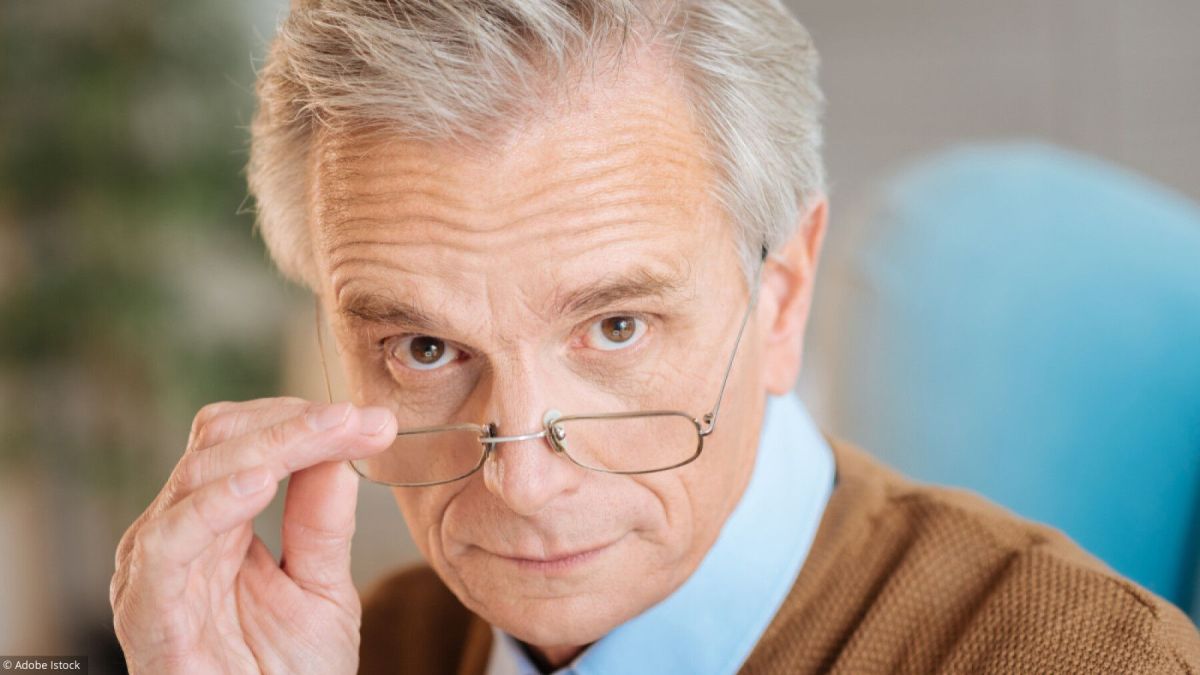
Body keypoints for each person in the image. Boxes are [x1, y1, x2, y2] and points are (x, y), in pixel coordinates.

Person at [109, 1, 1200, 673]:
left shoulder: (1085, 661)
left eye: (616, 326)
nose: (523, 482)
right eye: (424, 349)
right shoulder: (344, 652)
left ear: (782, 295)